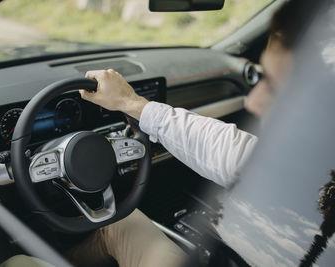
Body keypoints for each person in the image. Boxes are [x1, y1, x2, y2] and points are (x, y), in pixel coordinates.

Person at [64, 1, 322, 267]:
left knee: (23, 261)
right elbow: (236, 154)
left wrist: (131, 102)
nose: (252, 102)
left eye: (275, 86)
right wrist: (130, 103)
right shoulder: (317, 168)